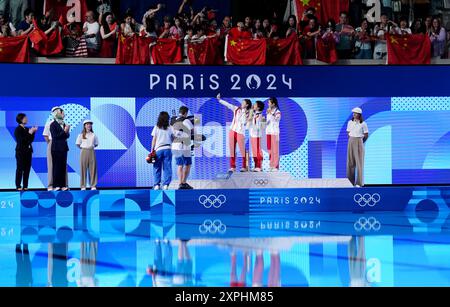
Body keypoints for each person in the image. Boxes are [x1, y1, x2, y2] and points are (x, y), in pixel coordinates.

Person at [216, 94, 252, 172]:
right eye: (242, 102)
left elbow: (244, 122)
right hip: (232, 130)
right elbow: (228, 105)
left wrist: (245, 112)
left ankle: (244, 166)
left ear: (247, 105)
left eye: (243, 103)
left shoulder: (249, 113)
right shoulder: (236, 109)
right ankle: (233, 167)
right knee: (232, 150)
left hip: (240, 132)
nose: (241, 104)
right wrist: (219, 100)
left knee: (242, 150)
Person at [171, 106, 194, 190]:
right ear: (186, 113)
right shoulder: (186, 120)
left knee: (179, 165)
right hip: (184, 145)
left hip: (175, 145)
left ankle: (180, 183)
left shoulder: (172, 120)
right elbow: (193, 131)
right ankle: (183, 183)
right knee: (188, 164)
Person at [14, 113, 37, 191]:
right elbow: (21, 141)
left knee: (27, 169)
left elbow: (30, 140)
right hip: (20, 152)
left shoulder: (26, 129)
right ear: (20, 119)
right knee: (20, 169)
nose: (26, 119)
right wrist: (30, 133)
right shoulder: (18, 129)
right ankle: (18, 185)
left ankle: (25, 185)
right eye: (25, 118)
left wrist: (33, 132)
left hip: (28, 152)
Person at [346, 107, 369, 187]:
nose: (354, 114)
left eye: (355, 113)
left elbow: (366, 135)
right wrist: (352, 140)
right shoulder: (350, 122)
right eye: (353, 113)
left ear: (359, 114)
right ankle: (350, 182)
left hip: (359, 141)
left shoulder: (363, 124)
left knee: (359, 163)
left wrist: (360, 142)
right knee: (350, 163)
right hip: (351, 141)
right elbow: (348, 132)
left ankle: (359, 183)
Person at [151, 112, 173, 191]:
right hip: (168, 149)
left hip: (158, 149)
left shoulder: (156, 127)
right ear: (168, 118)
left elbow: (154, 139)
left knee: (157, 167)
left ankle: (156, 185)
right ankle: (166, 185)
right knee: (167, 168)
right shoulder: (170, 127)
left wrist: (152, 150)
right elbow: (173, 138)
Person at [50, 107, 70, 191]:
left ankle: (63, 185)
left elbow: (67, 136)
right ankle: (56, 185)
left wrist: (67, 132)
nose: (64, 114)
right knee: (56, 167)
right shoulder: (53, 124)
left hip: (64, 148)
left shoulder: (64, 123)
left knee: (62, 167)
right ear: (57, 114)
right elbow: (55, 137)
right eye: (62, 113)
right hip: (56, 148)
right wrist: (64, 131)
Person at [76, 120, 98, 191]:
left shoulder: (93, 135)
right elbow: (78, 144)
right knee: (83, 169)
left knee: (93, 168)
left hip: (91, 151)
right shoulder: (81, 135)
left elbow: (96, 144)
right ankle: (83, 186)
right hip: (84, 151)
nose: (89, 125)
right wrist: (84, 148)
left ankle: (93, 185)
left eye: (90, 124)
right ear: (84, 126)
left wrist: (90, 147)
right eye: (87, 124)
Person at [249, 101, 265, 172]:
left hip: (257, 135)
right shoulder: (253, 114)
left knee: (258, 151)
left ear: (258, 107)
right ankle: (256, 166)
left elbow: (262, 127)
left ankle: (259, 165)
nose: (253, 105)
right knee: (254, 151)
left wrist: (263, 122)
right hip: (252, 135)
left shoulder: (261, 115)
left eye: (254, 105)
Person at [266, 97, 281, 172]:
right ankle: (271, 165)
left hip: (275, 133)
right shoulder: (268, 112)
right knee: (270, 150)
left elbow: (277, 119)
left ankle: (276, 166)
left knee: (275, 150)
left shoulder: (277, 112)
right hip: (268, 132)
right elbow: (268, 122)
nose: (268, 104)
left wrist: (271, 113)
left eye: (269, 103)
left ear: (273, 104)